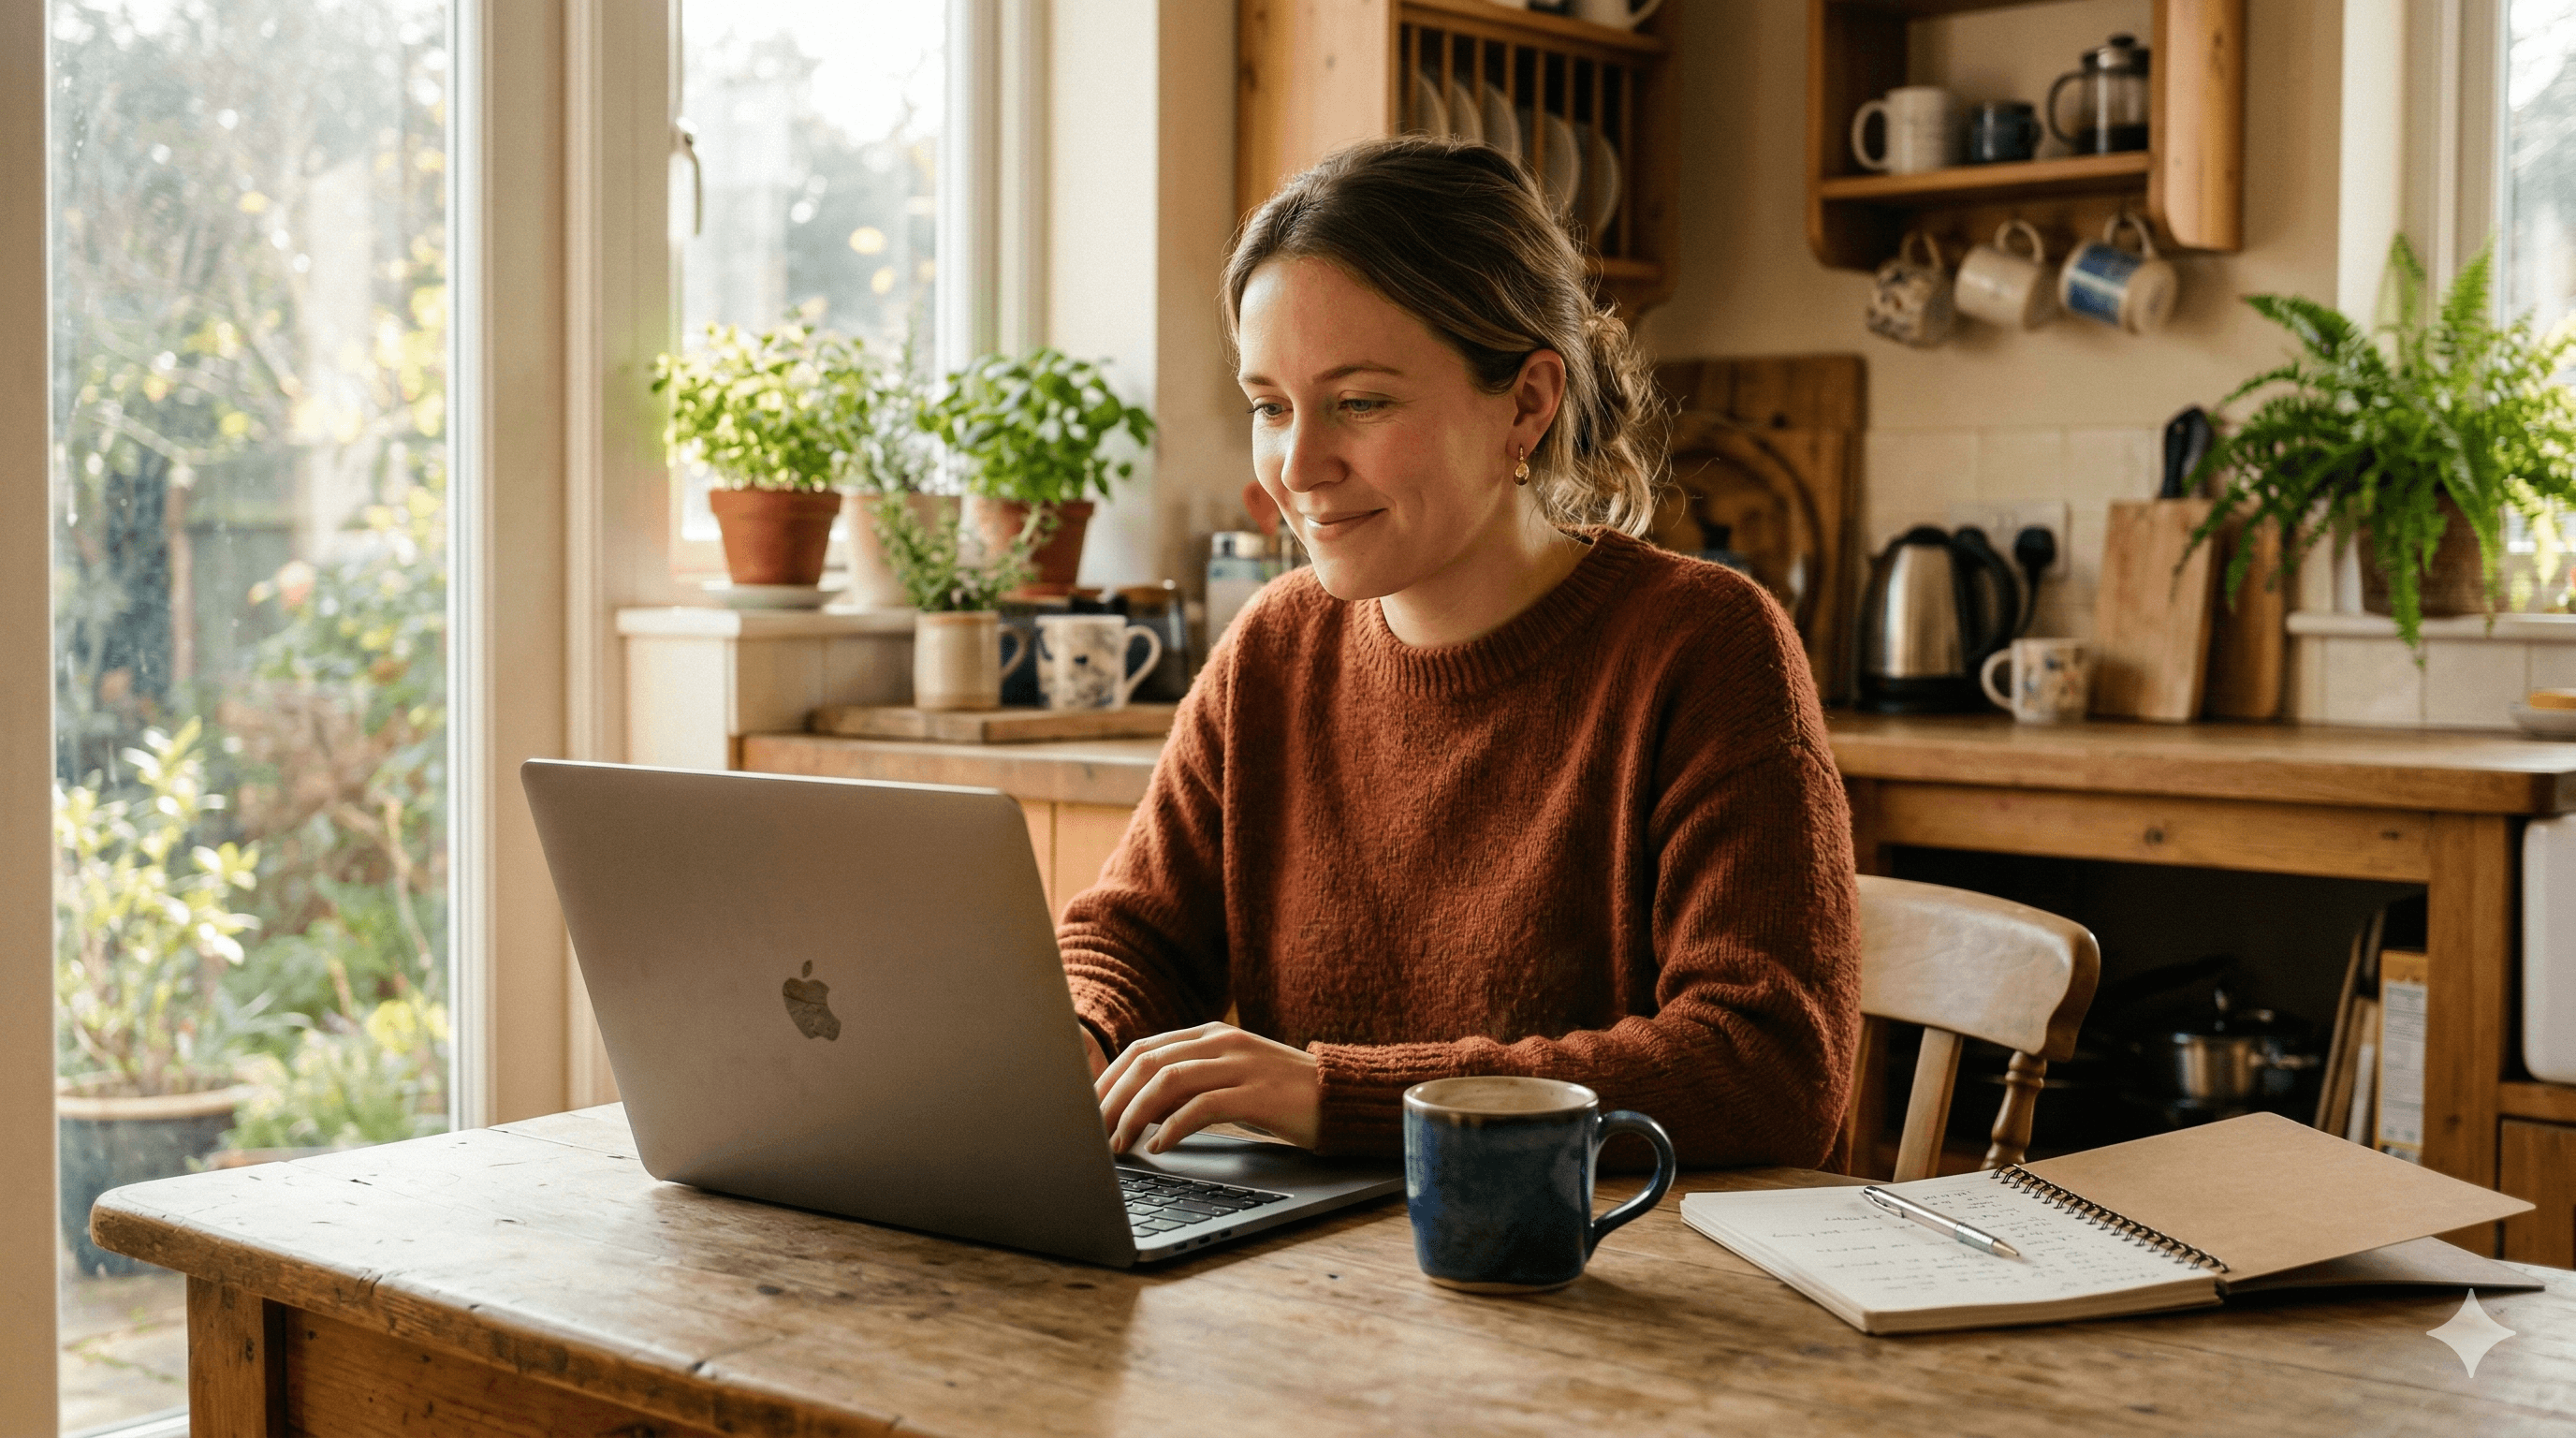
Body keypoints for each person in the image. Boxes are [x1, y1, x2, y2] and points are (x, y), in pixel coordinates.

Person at [1061, 136, 1860, 1170]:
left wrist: (1337, 1098)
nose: (1296, 467)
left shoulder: (1704, 645)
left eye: (1361, 402)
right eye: (1270, 405)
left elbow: (1766, 1073)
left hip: (1602, 1294)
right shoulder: (1274, 645)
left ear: (1526, 402)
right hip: (1310, 1284)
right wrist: (1079, 1037)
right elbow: (1133, 942)